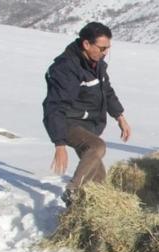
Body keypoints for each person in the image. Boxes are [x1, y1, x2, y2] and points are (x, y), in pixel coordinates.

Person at [42, 21, 131, 205]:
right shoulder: (66, 68)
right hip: (67, 122)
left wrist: (120, 117)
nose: (105, 52)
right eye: (102, 48)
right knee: (97, 147)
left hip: (88, 124)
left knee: (99, 181)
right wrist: (59, 144)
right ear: (86, 44)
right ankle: (73, 191)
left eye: (108, 48)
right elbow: (54, 106)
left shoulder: (96, 64)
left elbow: (106, 91)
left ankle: (86, 210)